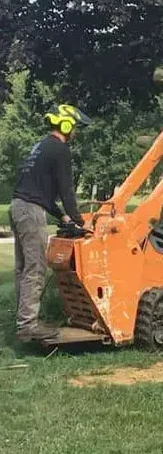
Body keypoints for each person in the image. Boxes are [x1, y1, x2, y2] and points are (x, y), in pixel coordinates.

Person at [9, 104, 91, 341]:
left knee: (23, 267)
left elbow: (39, 190)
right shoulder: (60, 149)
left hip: (18, 206)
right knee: (36, 267)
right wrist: (79, 220)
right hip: (31, 212)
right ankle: (27, 325)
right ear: (65, 125)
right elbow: (67, 191)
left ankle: (25, 319)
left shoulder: (41, 146)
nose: (74, 132)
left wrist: (62, 217)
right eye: (74, 127)